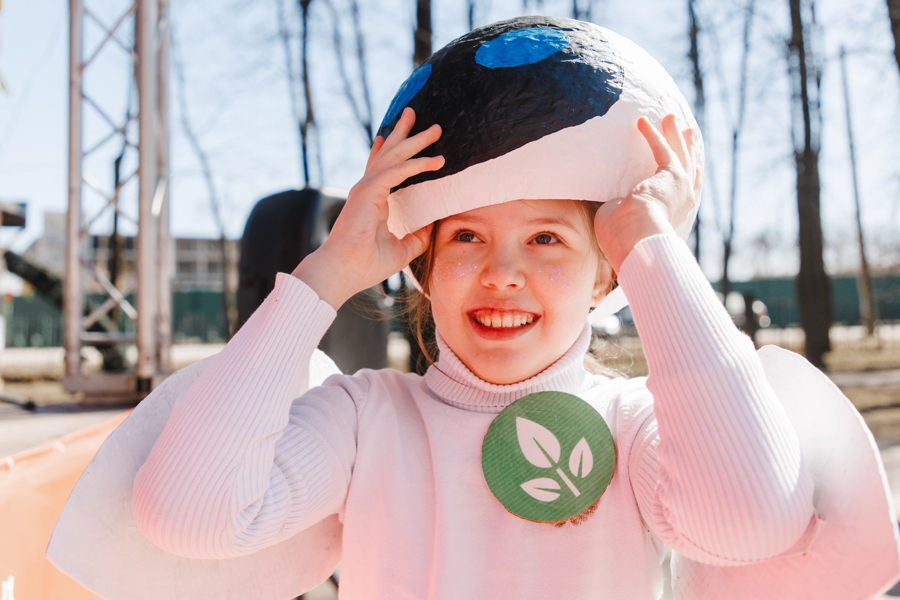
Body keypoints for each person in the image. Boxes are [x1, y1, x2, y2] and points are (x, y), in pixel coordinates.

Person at [49, 17, 899, 600]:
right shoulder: (362, 419)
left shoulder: (644, 424)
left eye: (547, 242)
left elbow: (752, 520)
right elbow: (189, 514)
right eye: (465, 241)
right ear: (421, 262)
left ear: (607, 278)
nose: (502, 274)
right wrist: (327, 273)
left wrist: (653, 249)